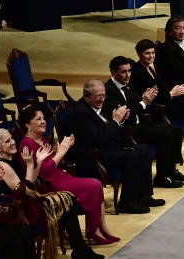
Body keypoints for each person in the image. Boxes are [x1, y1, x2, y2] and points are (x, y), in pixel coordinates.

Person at [0, 128, 104, 259]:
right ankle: (80, 250)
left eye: (12, 138)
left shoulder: (12, 159)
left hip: (27, 202)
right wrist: (30, 166)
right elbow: (24, 192)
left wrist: (38, 162)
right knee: (67, 204)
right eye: (7, 141)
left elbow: (31, 181)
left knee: (68, 200)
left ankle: (80, 250)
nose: (13, 142)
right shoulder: (2, 166)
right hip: (19, 211)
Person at [18, 104, 119, 243]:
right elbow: (43, 172)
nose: (43, 122)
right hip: (48, 185)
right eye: (38, 119)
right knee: (94, 184)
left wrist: (63, 149)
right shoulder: (27, 145)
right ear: (28, 124)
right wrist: (61, 152)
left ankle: (102, 227)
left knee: (96, 183)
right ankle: (93, 230)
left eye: (43, 118)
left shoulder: (40, 139)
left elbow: (55, 164)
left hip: (60, 177)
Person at [67, 79, 163, 214]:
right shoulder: (81, 113)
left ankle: (144, 195)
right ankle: (127, 202)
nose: (102, 99)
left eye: (103, 95)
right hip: (92, 155)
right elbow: (98, 139)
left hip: (108, 148)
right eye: (98, 96)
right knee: (133, 156)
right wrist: (116, 122)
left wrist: (121, 121)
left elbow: (110, 129)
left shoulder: (101, 106)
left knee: (144, 149)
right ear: (87, 96)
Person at [104, 55, 184, 187]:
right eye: (124, 72)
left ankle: (171, 170)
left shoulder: (128, 84)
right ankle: (161, 177)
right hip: (127, 129)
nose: (128, 75)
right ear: (113, 73)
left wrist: (146, 98)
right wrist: (143, 102)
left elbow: (136, 102)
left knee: (175, 129)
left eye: (129, 71)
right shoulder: (109, 90)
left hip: (139, 124)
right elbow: (125, 114)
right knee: (165, 133)